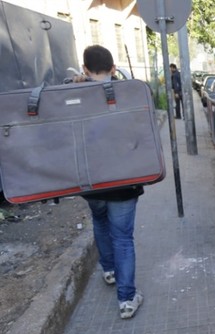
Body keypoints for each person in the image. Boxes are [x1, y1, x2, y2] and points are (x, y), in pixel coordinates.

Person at [78, 45, 144, 319]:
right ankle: (127, 299)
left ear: (84, 70)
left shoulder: (72, 94)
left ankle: (109, 271)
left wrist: (75, 82)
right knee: (122, 238)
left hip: (89, 180)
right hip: (122, 181)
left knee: (100, 224)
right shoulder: (127, 93)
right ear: (114, 68)